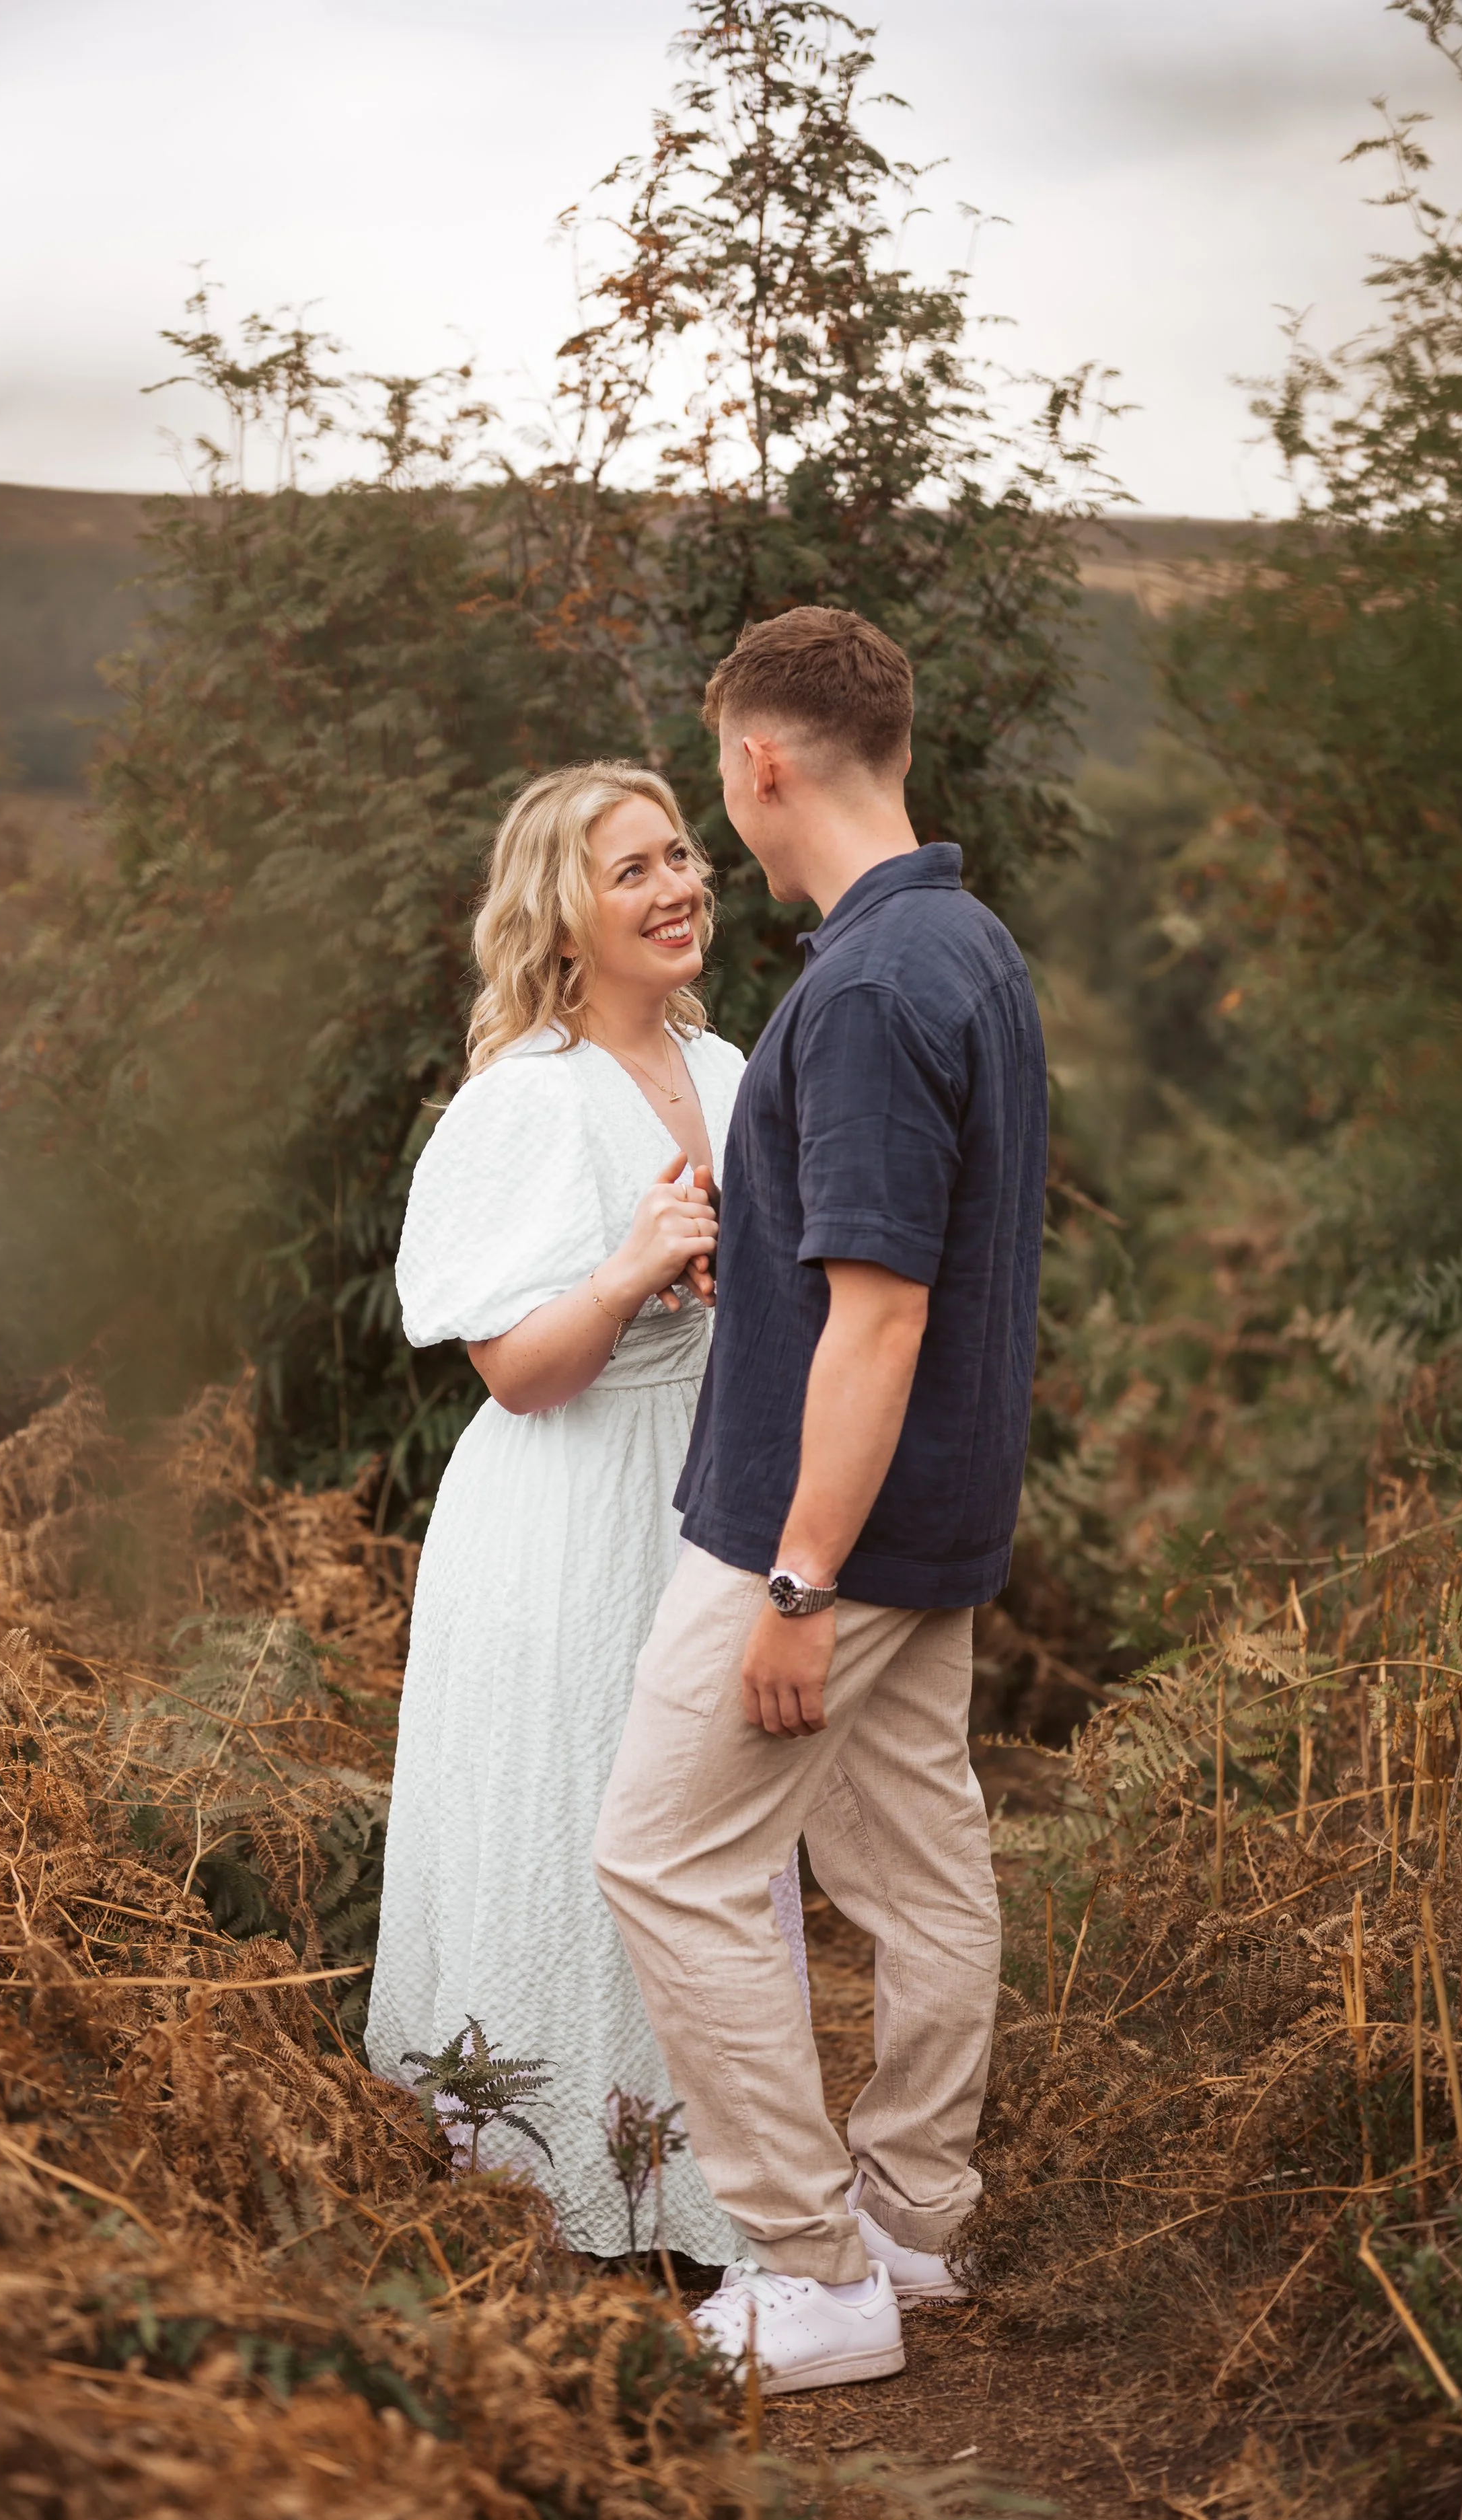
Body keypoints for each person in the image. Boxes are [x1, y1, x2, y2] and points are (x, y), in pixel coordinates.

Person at [593, 609, 1048, 2391]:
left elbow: (884, 1311)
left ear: (764, 760)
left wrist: (792, 1581)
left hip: (823, 1533)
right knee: (912, 1857)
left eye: (723, 772)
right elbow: (880, 1263)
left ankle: (808, 2263)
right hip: (928, 1510)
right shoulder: (964, 939)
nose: (728, 806)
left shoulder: (858, 986)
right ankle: (915, 2224)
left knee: (663, 1851)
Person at [365, 759, 805, 2262]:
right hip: (565, 1509)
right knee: (567, 1822)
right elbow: (517, 1372)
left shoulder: (735, 1066)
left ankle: (716, 2188)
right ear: (564, 912)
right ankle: (546, 2194)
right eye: (633, 870)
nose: (679, 885)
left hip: (706, 1477)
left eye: (681, 854)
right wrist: (626, 1272)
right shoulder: (525, 1103)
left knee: (707, 1830)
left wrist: (727, 1271)